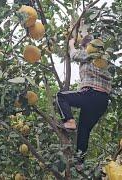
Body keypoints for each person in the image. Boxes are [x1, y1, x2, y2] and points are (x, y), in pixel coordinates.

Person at [56, 36, 111, 169]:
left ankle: (69, 121)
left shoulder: (90, 53)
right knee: (84, 130)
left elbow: (74, 55)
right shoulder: (104, 58)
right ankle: (80, 162)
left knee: (61, 97)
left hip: (91, 94)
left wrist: (71, 44)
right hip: (103, 101)